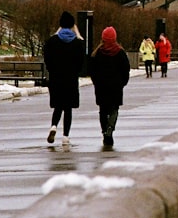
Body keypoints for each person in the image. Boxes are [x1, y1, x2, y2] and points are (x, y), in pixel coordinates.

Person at [42, 11, 86, 147]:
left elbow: (47, 59)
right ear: (73, 25)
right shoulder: (78, 43)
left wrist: (53, 71)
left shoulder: (52, 41)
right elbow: (81, 62)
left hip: (56, 79)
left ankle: (53, 126)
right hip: (70, 79)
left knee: (58, 106)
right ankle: (66, 136)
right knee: (68, 109)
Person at [89, 26, 131, 147]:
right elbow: (126, 69)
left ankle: (104, 132)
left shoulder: (97, 53)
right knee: (114, 109)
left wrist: (96, 81)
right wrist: (123, 82)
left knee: (102, 110)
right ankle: (110, 129)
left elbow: (92, 70)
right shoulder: (120, 52)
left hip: (101, 87)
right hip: (116, 87)